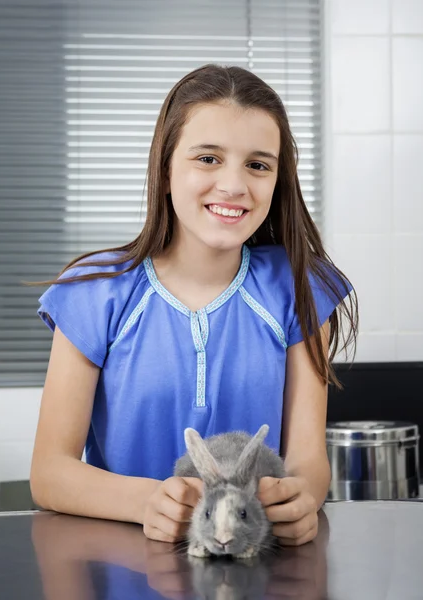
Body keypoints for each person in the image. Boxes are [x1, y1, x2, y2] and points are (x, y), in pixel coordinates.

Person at [29, 64, 358, 548]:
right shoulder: (93, 293)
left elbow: (308, 461)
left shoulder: (300, 288)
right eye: (207, 158)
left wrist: (299, 499)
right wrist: (147, 503)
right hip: (126, 570)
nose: (233, 185)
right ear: (164, 170)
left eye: (258, 165)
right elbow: (49, 473)